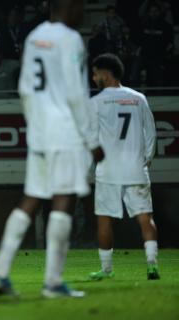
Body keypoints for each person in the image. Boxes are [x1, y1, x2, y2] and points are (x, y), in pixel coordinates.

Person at [0, 0, 104, 298]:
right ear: (69, 6)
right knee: (63, 200)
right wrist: (91, 140)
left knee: (33, 197)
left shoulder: (34, 36)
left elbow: (25, 88)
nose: (83, 12)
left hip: (39, 131)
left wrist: (36, 125)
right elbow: (76, 93)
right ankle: (53, 282)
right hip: (64, 131)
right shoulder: (71, 38)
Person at [88, 53, 159, 281]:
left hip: (108, 170)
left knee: (104, 220)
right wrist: (147, 158)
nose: (93, 77)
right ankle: (152, 265)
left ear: (105, 75)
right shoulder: (138, 98)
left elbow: (89, 138)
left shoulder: (96, 102)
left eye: (95, 73)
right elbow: (151, 131)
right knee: (145, 218)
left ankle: (106, 269)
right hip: (136, 168)